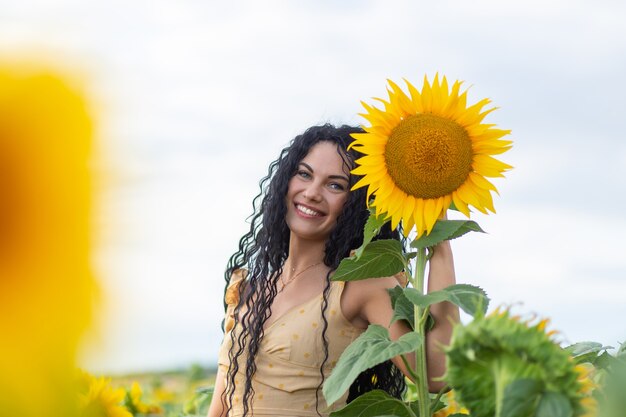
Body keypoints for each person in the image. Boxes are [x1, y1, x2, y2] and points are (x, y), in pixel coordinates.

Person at [207, 124, 459, 417]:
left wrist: (439, 237)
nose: (312, 193)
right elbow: (221, 405)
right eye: (304, 174)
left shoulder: (361, 286)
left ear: (358, 203)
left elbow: (437, 374)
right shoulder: (248, 290)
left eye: (335, 185)